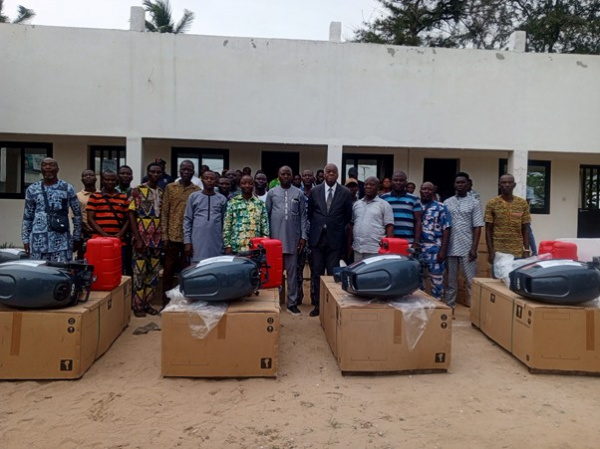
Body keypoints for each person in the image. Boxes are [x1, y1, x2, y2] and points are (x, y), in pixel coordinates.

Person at [307, 163, 353, 316]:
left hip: (335, 239)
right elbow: (310, 213)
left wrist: (334, 225)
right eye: (328, 171)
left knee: (333, 274)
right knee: (317, 273)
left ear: (338, 174)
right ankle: (318, 305)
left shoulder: (345, 192)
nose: (331, 173)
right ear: (324, 174)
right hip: (317, 239)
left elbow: (347, 216)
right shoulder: (315, 191)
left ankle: (332, 305)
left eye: (334, 171)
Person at [266, 166, 308, 316]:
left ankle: (292, 303)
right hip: (275, 242)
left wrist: (303, 237)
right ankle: (275, 302)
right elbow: (266, 215)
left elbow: (303, 216)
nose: (285, 176)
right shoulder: (271, 193)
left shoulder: (299, 193)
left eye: (288, 174)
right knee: (275, 274)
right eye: (283, 174)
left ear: (292, 176)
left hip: (293, 239)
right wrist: (267, 238)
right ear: (278, 176)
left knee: (292, 274)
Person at [22, 158, 82, 262]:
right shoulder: (32, 189)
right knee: (39, 271)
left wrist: (76, 237)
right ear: (41, 169)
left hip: (61, 243)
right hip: (38, 243)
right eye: (44, 165)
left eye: (51, 165)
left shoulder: (67, 188)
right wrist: (25, 239)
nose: (48, 167)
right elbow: (28, 217)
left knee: (61, 271)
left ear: (57, 169)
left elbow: (77, 215)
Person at [160, 160, 200, 307]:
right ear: (179, 171)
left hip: (188, 239)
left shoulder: (196, 190)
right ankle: (166, 303)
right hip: (172, 236)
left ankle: (183, 302)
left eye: (189, 170)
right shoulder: (170, 188)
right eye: (184, 169)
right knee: (168, 271)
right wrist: (165, 236)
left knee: (186, 272)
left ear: (193, 172)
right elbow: (164, 212)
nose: (186, 172)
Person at [443, 172, 484, 308]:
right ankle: (449, 309)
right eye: (458, 182)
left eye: (463, 182)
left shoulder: (474, 203)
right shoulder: (447, 202)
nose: (460, 185)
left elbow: (477, 226)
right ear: (454, 185)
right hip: (450, 247)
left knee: (471, 281)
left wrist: (474, 248)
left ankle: (475, 311)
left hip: (467, 247)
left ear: (468, 184)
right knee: (451, 282)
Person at [129, 162, 164, 317]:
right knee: (139, 273)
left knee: (154, 274)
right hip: (141, 239)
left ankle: (147, 303)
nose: (155, 174)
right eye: (152, 172)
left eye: (158, 172)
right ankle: (137, 306)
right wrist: (137, 238)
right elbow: (131, 213)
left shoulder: (162, 192)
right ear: (147, 173)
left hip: (157, 240)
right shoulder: (137, 190)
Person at [86, 170, 130, 272]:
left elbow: (128, 218)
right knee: (99, 269)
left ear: (116, 181)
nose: (110, 182)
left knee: (118, 269)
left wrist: (120, 234)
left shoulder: (123, 197)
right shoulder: (94, 196)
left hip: (119, 241)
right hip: (98, 240)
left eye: (113, 180)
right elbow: (90, 219)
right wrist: (104, 235)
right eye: (107, 179)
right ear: (102, 180)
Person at [485, 174, 531, 265]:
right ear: (499, 185)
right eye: (504, 182)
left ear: (514, 185)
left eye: (510, 182)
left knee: (515, 274)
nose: (507, 185)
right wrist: (490, 251)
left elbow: (526, 228)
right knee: (498, 274)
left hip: (517, 252)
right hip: (498, 252)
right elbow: (488, 229)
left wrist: (526, 250)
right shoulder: (492, 203)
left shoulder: (522, 203)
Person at [184, 170, 227, 263]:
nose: (209, 180)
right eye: (206, 178)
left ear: (216, 181)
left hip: (216, 242)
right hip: (197, 242)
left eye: (212, 178)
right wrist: (187, 241)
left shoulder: (222, 199)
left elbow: (225, 223)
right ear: (202, 180)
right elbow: (187, 220)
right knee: (197, 268)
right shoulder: (193, 197)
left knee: (215, 266)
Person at [419, 182, 451, 300]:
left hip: (435, 249)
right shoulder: (415, 206)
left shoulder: (441, 207)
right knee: (418, 281)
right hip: (418, 249)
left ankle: (438, 306)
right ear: (420, 191)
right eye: (424, 189)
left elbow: (446, 229)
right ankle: (420, 307)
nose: (426, 191)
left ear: (433, 191)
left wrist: (443, 250)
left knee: (437, 281)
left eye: (429, 189)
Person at [350, 177, 394, 262]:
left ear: (378, 187)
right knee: (358, 270)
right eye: (366, 184)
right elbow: (352, 225)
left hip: (375, 250)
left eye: (372, 184)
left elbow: (389, 227)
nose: (368, 186)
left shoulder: (384, 205)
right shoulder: (357, 204)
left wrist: (388, 248)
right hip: (358, 249)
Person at [223, 174, 270, 253]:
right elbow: (227, 225)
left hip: (255, 248)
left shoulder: (260, 204)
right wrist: (227, 245)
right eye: (244, 183)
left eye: (250, 183)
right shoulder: (232, 203)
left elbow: (265, 227)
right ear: (240, 185)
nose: (247, 186)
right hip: (236, 247)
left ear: (253, 185)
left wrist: (264, 244)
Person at [381, 170, 422, 247]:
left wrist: (416, 242)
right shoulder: (383, 198)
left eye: (401, 180)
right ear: (391, 182)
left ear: (406, 182)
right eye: (395, 180)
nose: (398, 182)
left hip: (408, 242)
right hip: (388, 242)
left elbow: (418, 221)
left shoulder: (414, 199)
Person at [296, 169, 315, 305]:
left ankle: (314, 297)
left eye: (309, 175)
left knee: (315, 268)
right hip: (300, 236)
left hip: (315, 237)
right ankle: (298, 296)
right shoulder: (297, 193)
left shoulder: (318, 192)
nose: (307, 177)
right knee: (298, 268)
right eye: (305, 176)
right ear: (301, 178)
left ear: (313, 178)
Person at [76, 169, 98, 258]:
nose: (88, 177)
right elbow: (75, 216)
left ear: (96, 178)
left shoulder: (101, 194)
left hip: (100, 232)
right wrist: (85, 227)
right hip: (84, 233)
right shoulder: (77, 196)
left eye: (91, 175)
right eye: (85, 175)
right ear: (82, 180)